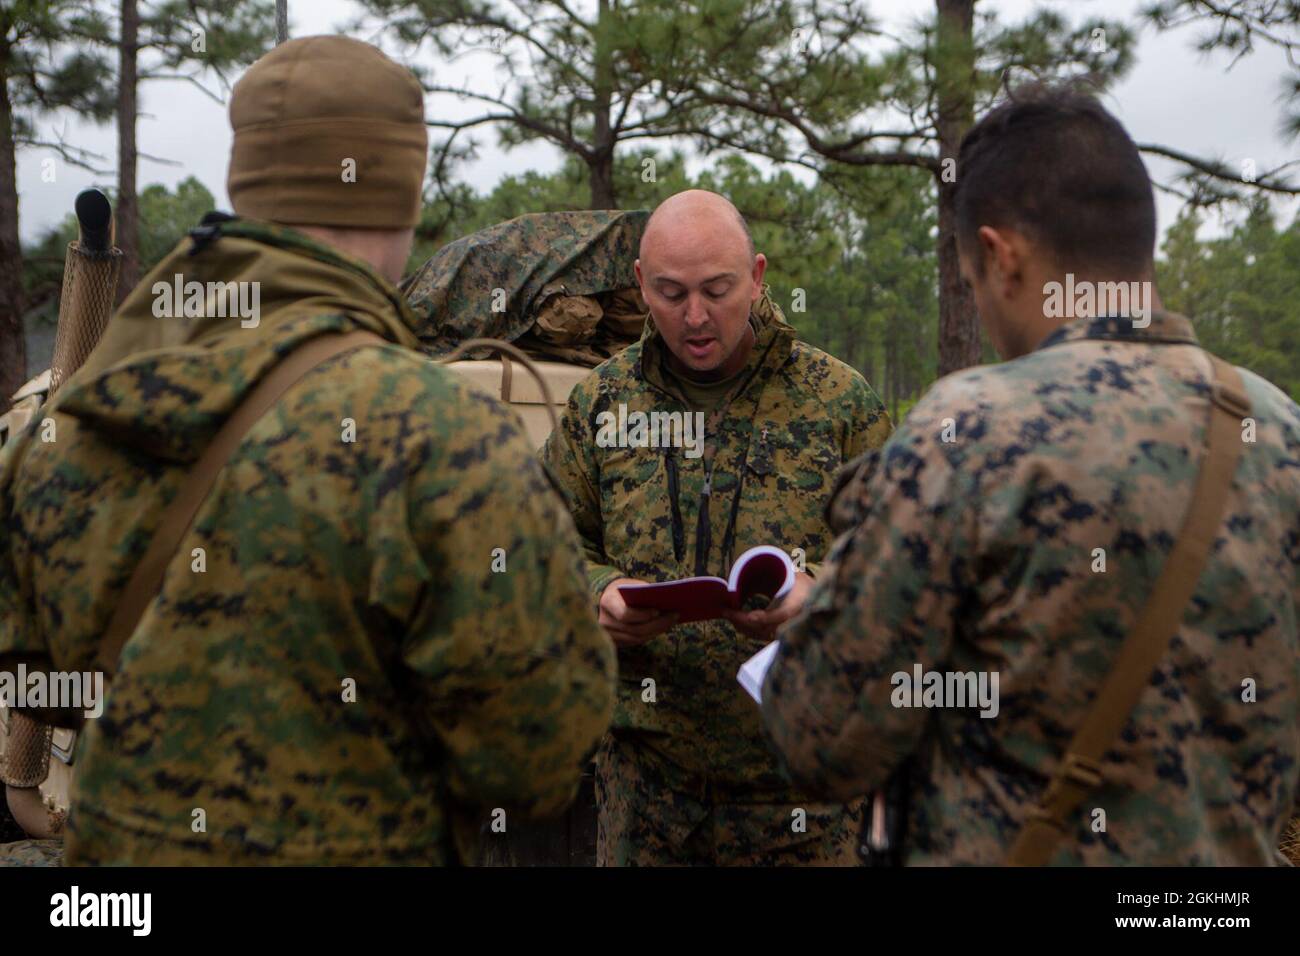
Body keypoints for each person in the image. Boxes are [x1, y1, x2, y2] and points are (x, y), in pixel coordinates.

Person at [0, 35, 614, 865]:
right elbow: (536, 757)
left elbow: (35, 674)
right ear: (401, 198)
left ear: (246, 184)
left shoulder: (84, 410)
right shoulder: (439, 434)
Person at [761, 84, 1300, 865]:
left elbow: (817, 741)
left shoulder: (967, 431)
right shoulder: (1279, 428)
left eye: (972, 284)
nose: (979, 306)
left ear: (1001, 257)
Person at [541, 189, 892, 865]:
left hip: (803, 805)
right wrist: (598, 589)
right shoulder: (601, 403)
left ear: (758, 277)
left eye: (718, 290)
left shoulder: (839, 402)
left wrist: (823, 593)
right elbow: (538, 541)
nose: (695, 317)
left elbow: (906, 561)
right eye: (671, 293)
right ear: (641, 285)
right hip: (647, 799)